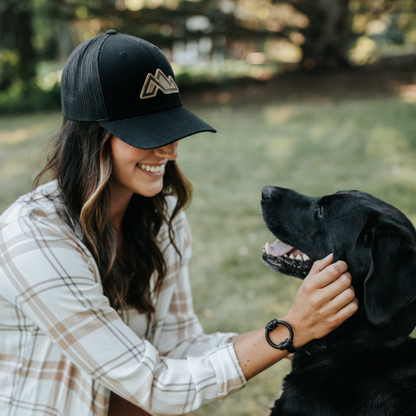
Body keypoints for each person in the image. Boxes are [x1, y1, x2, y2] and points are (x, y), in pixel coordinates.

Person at [0, 31, 358, 416]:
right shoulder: (34, 238)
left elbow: (178, 348)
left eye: (172, 128)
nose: (169, 148)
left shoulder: (161, 217)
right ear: (92, 136)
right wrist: (287, 332)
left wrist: (300, 338)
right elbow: (155, 385)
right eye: (149, 133)